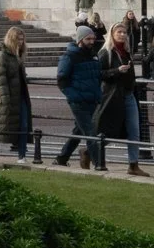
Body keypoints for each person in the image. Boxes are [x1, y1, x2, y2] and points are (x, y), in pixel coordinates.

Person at [99, 22, 147, 176]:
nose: (122, 34)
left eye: (124, 32)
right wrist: (116, 71)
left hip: (129, 95)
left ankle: (133, 164)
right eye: (119, 32)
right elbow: (100, 74)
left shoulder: (127, 52)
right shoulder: (105, 53)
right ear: (112, 34)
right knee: (111, 130)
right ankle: (89, 149)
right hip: (113, 96)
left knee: (134, 130)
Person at [55, 25, 107, 170]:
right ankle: (99, 164)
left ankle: (62, 158)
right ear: (80, 40)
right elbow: (61, 80)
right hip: (78, 101)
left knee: (79, 131)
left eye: (92, 38)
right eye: (88, 39)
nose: (91, 41)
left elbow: (97, 75)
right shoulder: (69, 56)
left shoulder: (93, 54)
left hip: (92, 99)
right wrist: (74, 96)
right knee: (90, 132)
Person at [0, 27, 33, 159]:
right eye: (18, 39)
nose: (21, 42)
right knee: (0, 125)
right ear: (11, 39)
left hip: (20, 95)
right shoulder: (2, 56)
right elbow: (0, 79)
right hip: (7, 96)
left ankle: (22, 156)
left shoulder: (18, 56)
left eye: (22, 40)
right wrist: (6, 99)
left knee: (23, 125)